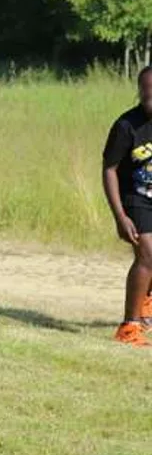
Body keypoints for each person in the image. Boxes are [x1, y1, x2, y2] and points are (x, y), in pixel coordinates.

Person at [102, 65, 152, 347]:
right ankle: (128, 327)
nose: (151, 98)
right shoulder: (126, 126)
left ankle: (146, 305)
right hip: (135, 198)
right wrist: (120, 215)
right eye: (146, 93)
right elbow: (109, 170)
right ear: (139, 91)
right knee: (148, 256)